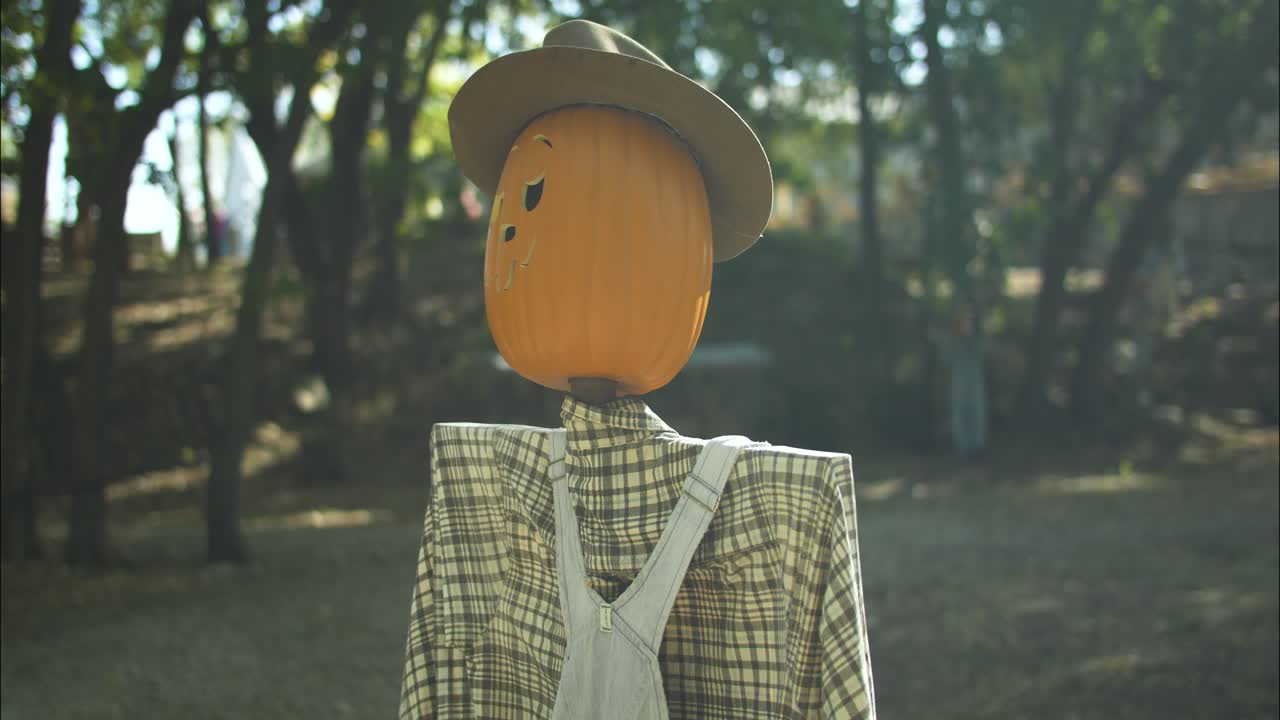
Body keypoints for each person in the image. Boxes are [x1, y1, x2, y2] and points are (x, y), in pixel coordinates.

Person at [939, 306, 988, 456]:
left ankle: (977, 445)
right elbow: (945, 358)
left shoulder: (979, 339)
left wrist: (973, 340)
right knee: (960, 411)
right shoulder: (952, 340)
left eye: (969, 320)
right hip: (958, 378)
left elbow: (985, 353)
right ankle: (962, 447)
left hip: (974, 378)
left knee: (976, 410)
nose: (967, 324)